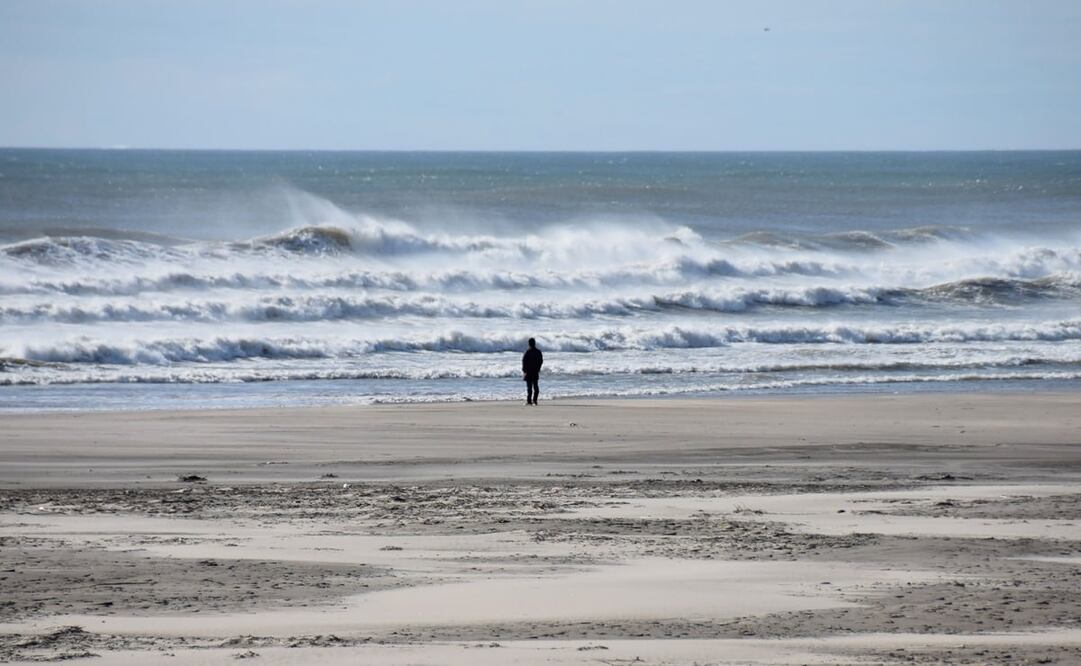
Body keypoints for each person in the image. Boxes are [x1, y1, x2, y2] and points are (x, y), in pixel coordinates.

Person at [522, 337, 543, 405]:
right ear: (534, 343)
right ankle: (535, 400)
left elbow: (524, 361)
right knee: (536, 387)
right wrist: (538, 368)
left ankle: (529, 401)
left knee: (529, 388)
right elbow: (541, 361)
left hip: (528, 372)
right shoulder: (538, 352)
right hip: (535, 371)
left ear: (529, 344)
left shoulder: (527, 352)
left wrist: (524, 370)